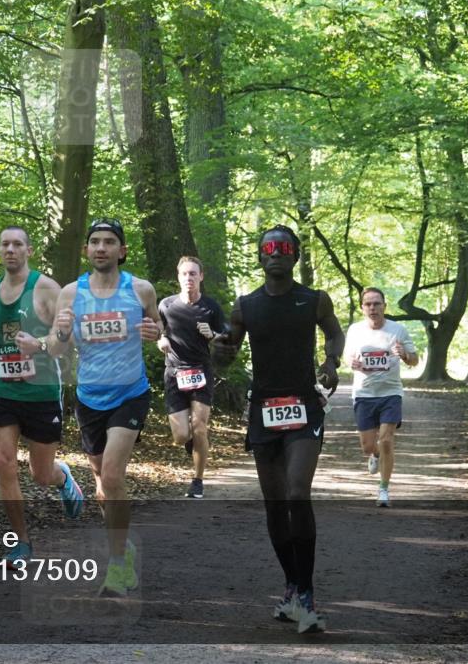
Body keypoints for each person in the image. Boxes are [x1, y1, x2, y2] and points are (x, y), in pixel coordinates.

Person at [214, 224, 343, 634]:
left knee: (297, 494)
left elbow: (335, 333)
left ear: (295, 255)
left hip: (304, 407)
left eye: (283, 247)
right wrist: (221, 350)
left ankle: (306, 593)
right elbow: (227, 355)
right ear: (259, 255)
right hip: (264, 412)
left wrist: (331, 361)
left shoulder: (314, 300)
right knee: (274, 505)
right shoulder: (245, 306)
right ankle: (291, 586)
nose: (276, 253)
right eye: (268, 247)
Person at [48, 217, 162, 598]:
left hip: (130, 392)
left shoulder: (141, 289)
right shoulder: (70, 293)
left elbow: (157, 329)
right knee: (101, 486)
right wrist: (62, 331)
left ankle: (118, 565)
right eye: (94, 241)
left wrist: (154, 333)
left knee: (112, 476)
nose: (101, 247)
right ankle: (122, 544)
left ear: (121, 250)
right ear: (86, 250)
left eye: (109, 241)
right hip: (89, 398)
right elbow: (56, 348)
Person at [0, 226, 84, 568]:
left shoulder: (47, 289)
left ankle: (62, 477)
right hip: (1, 389)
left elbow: (65, 341)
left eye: (18, 244)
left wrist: (40, 343)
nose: (11, 250)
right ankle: (21, 542)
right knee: (3, 460)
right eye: (5, 244)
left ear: (29, 250)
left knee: (40, 475)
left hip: (41, 390)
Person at [157, 256, 227, 498]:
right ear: (179, 276)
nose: (189, 278)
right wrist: (161, 339)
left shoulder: (211, 307)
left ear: (201, 277)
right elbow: (157, 329)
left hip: (201, 371)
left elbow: (227, 338)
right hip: (175, 373)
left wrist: (214, 335)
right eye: (185, 274)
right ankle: (192, 443)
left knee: (199, 426)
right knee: (180, 436)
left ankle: (197, 481)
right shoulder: (166, 305)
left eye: (193, 274)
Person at [343, 287, 418, 508]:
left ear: (385, 305)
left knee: (386, 440)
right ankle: (374, 455)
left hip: (391, 393)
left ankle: (383, 489)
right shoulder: (355, 330)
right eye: (368, 304)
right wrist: (352, 363)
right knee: (368, 447)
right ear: (362, 307)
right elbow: (348, 356)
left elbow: (414, 360)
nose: (373, 308)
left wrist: (404, 354)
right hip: (364, 394)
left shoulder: (398, 330)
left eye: (377, 303)